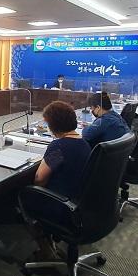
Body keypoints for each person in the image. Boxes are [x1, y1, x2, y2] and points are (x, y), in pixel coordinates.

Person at [22, 101, 91, 261]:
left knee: (23, 195)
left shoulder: (59, 147)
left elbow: (39, 178)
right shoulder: (84, 144)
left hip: (63, 206)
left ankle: (46, 249)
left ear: (54, 125)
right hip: (80, 203)